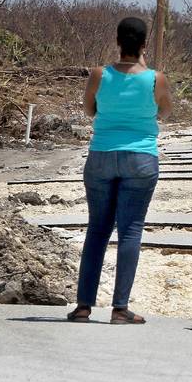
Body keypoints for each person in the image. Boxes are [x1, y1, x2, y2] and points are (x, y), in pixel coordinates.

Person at [68, 17, 172, 324]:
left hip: (101, 155)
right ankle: (120, 308)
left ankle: (84, 306)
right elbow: (165, 111)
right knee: (130, 230)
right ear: (143, 45)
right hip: (140, 158)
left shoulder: (99, 74)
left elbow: (89, 110)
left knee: (97, 229)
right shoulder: (156, 78)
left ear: (117, 42)